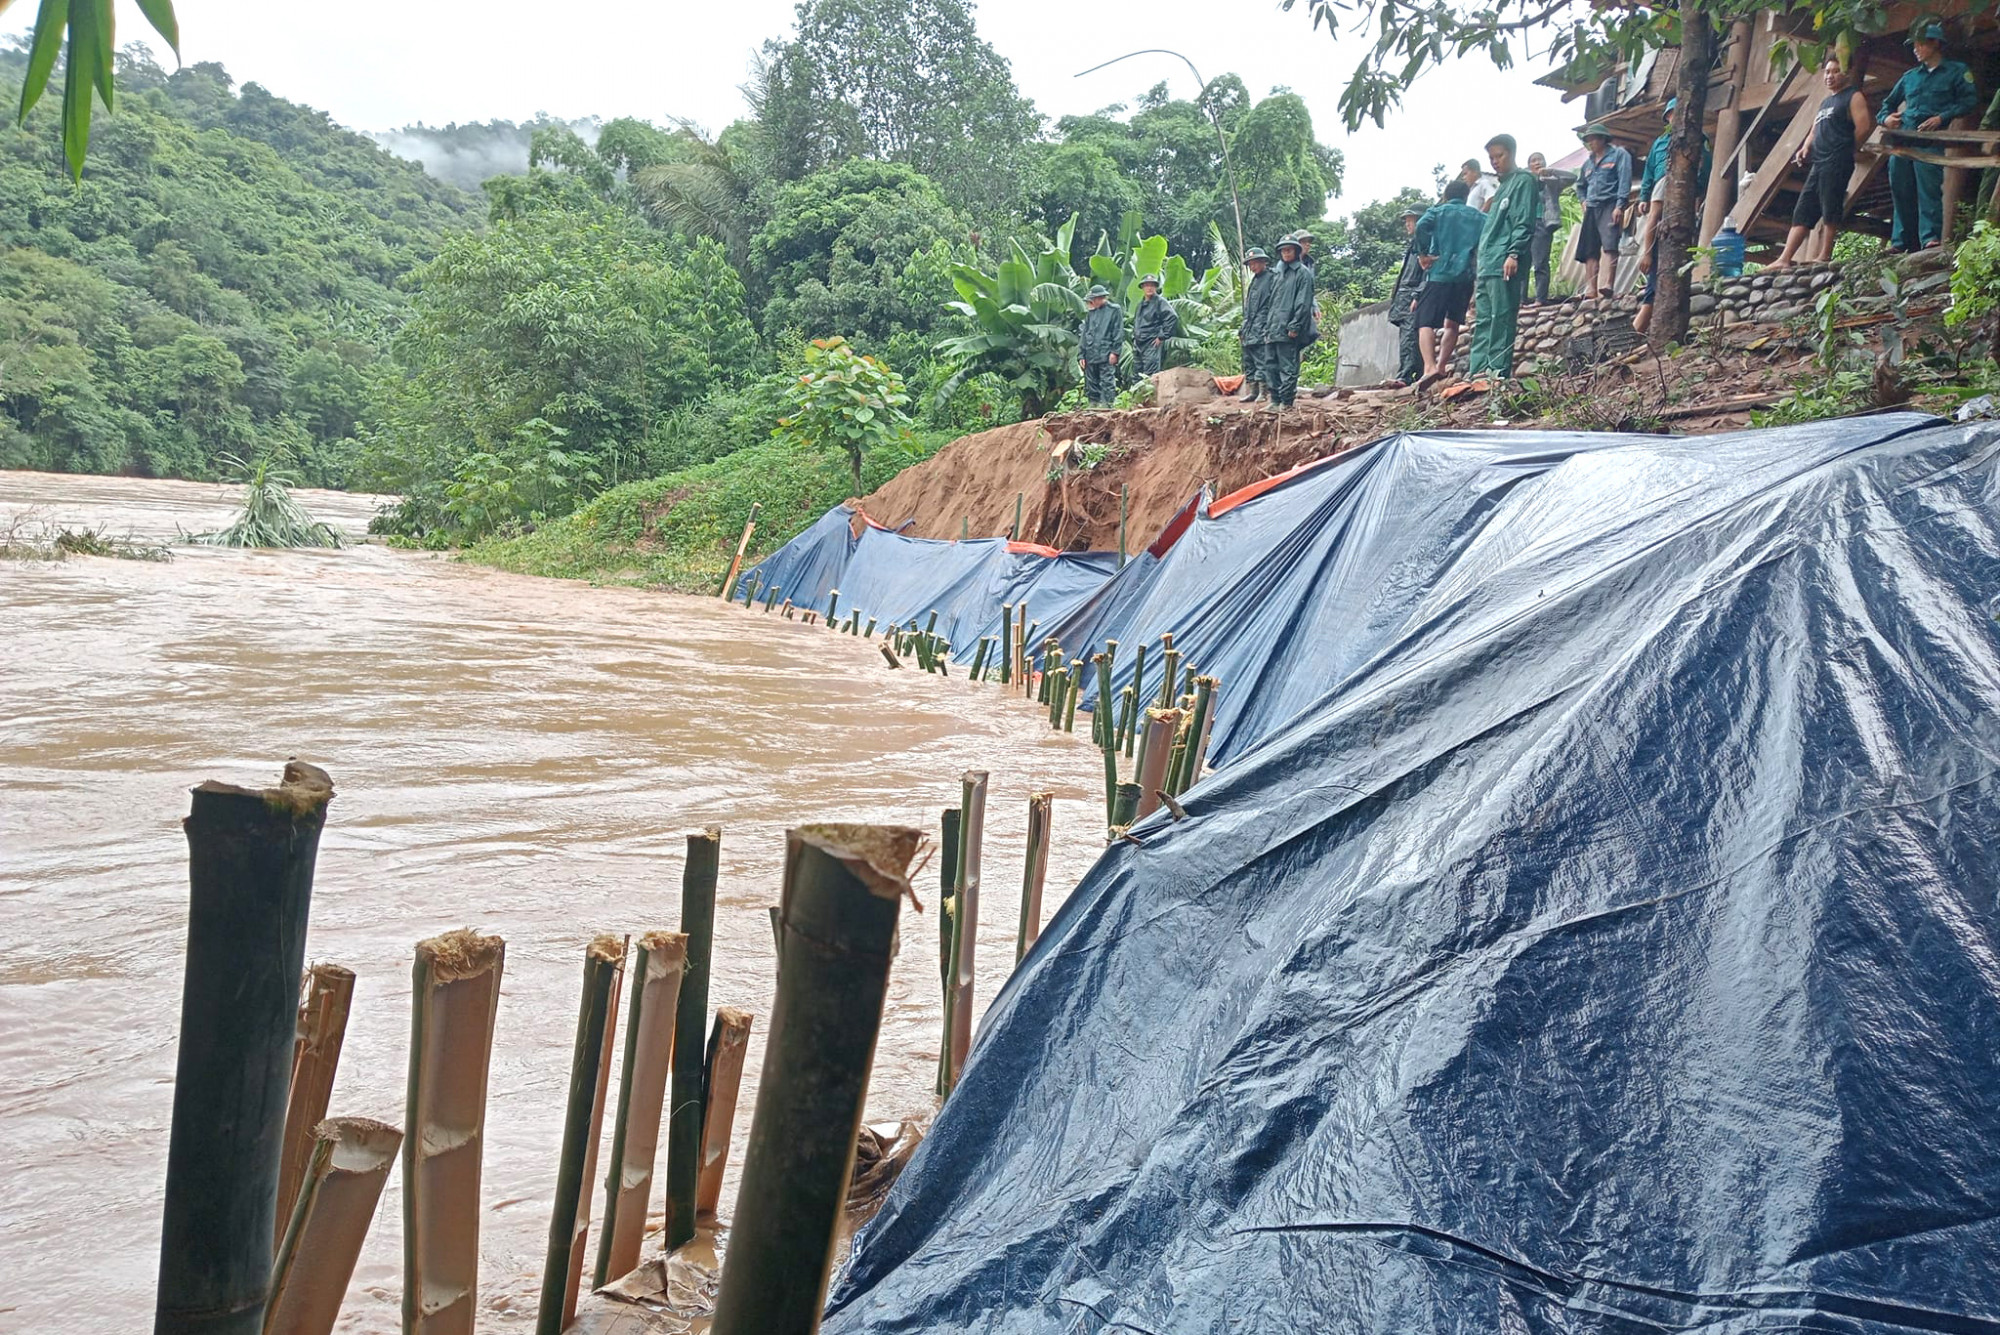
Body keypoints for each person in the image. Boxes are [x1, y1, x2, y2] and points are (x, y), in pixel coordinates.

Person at [1878, 19, 1981, 253]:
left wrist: (1942, 117)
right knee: (1900, 187)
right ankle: (1901, 242)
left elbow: (1969, 100)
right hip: (1904, 139)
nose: (1915, 49)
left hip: (1930, 140)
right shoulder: (1909, 76)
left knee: (1929, 188)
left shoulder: (1957, 71)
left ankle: (1930, 238)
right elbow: (1887, 105)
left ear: (1935, 43)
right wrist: (1886, 119)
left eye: (1920, 44)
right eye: (1914, 45)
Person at [1772, 58, 1873, 268]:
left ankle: (1824, 254)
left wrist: (1847, 148)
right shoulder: (1826, 102)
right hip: (1819, 161)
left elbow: (1864, 126)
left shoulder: (1852, 96)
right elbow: (1815, 129)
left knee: (1830, 204)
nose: (1830, 76)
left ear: (1845, 73)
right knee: (1804, 208)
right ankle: (1784, 258)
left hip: (1837, 159)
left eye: (1835, 71)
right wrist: (1805, 147)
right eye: (1827, 72)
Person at [1631, 98, 1712, 335]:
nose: (1675, 118)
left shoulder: (1700, 140)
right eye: (1671, 114)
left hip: (1685, 197)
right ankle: (1636, 333)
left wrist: (1699, 192)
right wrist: (1644, 196)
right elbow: (1649, 181)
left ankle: (1638, 333)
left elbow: (1706, 169)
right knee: (1655, 283)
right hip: (1661, 192)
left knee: (1666, 277)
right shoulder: (1659, 144)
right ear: (1667, 118)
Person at [1467, 133, 1538, 385]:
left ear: (1512, 153)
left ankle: (1496, 373)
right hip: (1487, 264)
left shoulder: (1524, 181)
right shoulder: (1502, 186)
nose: (1495, 161)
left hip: (1505, 260)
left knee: (1503, 316)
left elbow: (1523, 221)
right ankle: (1476, 373)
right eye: (1491, 157)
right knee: (1484, 319)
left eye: (1500, 155)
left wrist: (1513, 253)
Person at [1412, 180, 1482, 383]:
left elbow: (1420, 226)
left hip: (1440, 273)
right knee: (1452, 323)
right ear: (1466, 196)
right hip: (1465, 276)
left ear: (1446, 195)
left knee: (1425, 321)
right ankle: (1442, 366)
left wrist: (1423, 253)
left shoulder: (1438, 212)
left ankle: (1429, 367)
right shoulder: (1477, 216)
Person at [1575, 124, 1633, 300]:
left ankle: (1608, 284)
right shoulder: (1587, 163)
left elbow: (1625, 179)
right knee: (1589, 249)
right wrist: (1583, 201)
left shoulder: (1619, 155)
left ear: (1602, 139)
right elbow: (1580, 186)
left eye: (1593, 139)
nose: (1591, 143)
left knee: (1610, 244)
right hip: (1592, 207)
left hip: (1610, 204)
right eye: (1588, 140)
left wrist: (1619, 205)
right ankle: (1591, 289)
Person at [1262, 237, 1317, 410]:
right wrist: (1267, 326)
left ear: (1296, 251)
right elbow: (1271, 301)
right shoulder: (1277, 273)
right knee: (1271, 365)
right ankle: (1275, 401)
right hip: (1273, 328)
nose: (1286, 253)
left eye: (1289, 250)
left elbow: (1303, 302)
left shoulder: (1303, 273)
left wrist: (1295, 325)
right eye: (1283, 250)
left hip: (1288, 329)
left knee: (1288, 367)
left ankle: (1286, 402)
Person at [1386, 206, 1427, 386]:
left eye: (1411, 220)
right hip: (1405, 296)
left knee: (1409, 336)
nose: (1407, 224)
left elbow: (1428, 272)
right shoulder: (1415, 243)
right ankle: (1410, 375)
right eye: (1407, 220)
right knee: (1408, 335)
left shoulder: (1426, 242)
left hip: (1412, 295)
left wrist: (1417, 294)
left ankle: (1406, 375)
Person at [1525, 152, 1574, 303]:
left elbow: (1572, 178)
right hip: (1524, 225)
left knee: (1540, 262)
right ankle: (1521, 300)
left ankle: (1540, 299)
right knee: (1523, 263)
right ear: (1529, 166)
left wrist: (1551, 171)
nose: (1537, 162)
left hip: (1543, 223)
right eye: (1533, 160)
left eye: (1540, 159)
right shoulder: (1525, 182)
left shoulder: (1551, 182)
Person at [1237, 247, 1275, 401]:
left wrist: (1268, 326)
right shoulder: (1254, 281)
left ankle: (1263, 392)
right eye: (1250, 264)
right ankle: (1252, 391)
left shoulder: (1271, 277)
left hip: (1262, 325)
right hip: (1250, 326)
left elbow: (1272, 304)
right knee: (1249, 359)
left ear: (1263, 262)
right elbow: (1249, 308)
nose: (1252, 267)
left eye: (1255, 263)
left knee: (1261, 358)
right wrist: (1243, 328)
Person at [1077, 284, 1123, 407]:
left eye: (1093, 299)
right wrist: (1081, 355)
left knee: (1107, 382)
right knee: (1091, 384)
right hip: (1090, 353)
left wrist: (1115, 352)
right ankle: (1093, 408)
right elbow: (1085, 335)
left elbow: (1118, 332)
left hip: (1106, 353)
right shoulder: (1091, 313)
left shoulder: (1114, 310)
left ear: (1100, 298)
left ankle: (1107, 407)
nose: (1091, 302)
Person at [1131, 274, 1180, 376]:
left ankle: (1151, 392)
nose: (1149, 288)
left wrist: (1162, 336)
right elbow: (1136, 322)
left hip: (1151, 342)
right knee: (1136, 374)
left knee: (1150, 374)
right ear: (1143, 287)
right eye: (1147, 285)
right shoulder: (1140, 305)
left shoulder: (1160, 302)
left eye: (1152, 285)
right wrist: (1134, 338)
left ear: (1156, 287)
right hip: (1139, 343)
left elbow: (1172, 317)